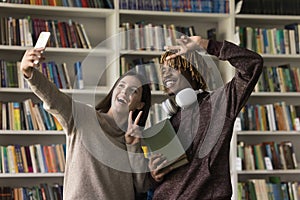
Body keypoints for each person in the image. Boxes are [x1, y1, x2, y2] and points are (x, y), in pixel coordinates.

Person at [20, 47, 153, 200]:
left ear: (140, 105)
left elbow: (142, 186)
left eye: (133, 91)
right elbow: (53, 97)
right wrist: (30, 74)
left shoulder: (134, 139)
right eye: (121, 86)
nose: (124, 91)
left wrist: (133, 146)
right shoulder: (83, 116)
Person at [148, 36, 263, 199]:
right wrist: (155, 175)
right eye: (163, 70)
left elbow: (252, 64)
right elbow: (164, 178)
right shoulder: (171, 119)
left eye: (173, 68)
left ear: (192, 68)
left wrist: (206, 45)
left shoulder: (219, 104)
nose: (165, 75)